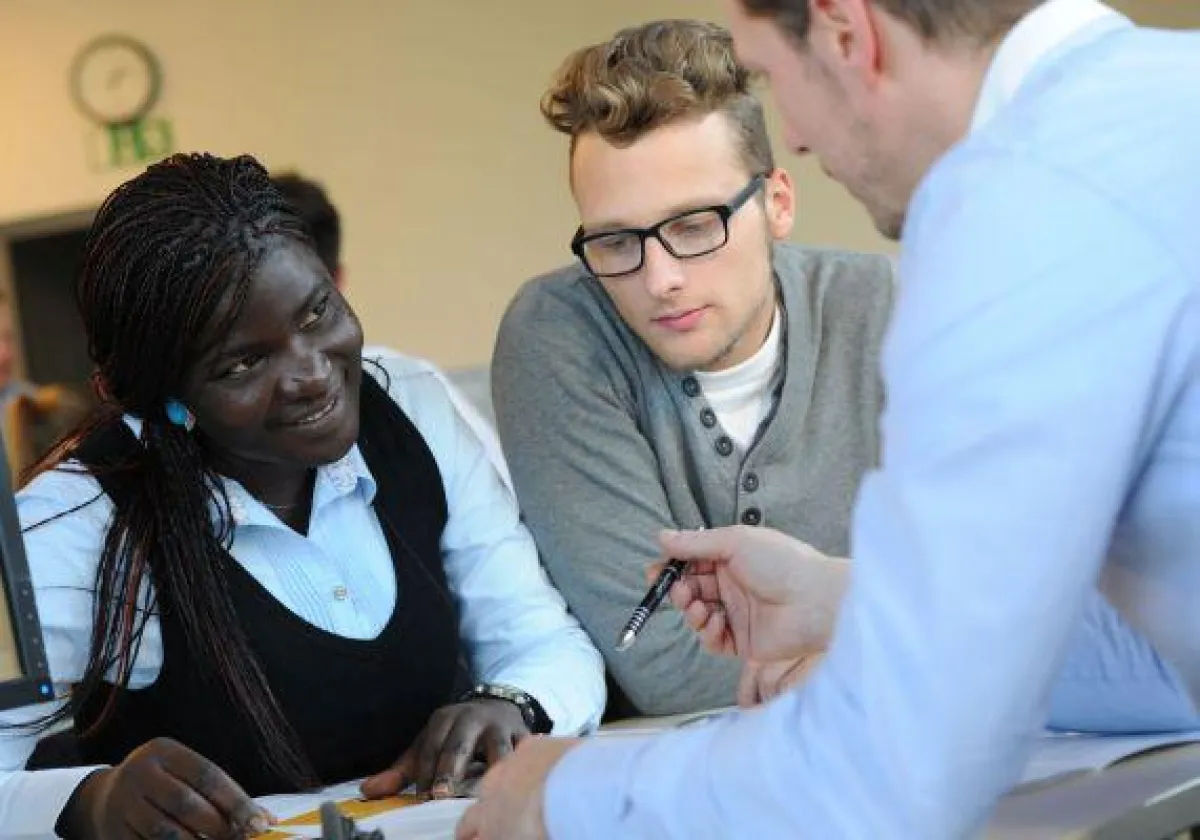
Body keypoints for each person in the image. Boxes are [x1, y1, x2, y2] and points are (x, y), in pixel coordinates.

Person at [457, 0, 1200, 837]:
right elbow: (1165, 658)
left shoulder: (1016, 200)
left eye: (773, 74)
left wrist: (569, 796)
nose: (799, 138)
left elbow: (896, 772)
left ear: (848, 34)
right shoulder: (1163, 101)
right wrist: (844, 600)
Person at [0, 153, 605, 839]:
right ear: (155, 397)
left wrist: (514, 701)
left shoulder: (411, 407)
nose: (312, 373)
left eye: (317, 312)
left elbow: (546, 638)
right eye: (244, 362)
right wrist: (88, 800)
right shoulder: (76, 525)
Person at [492, 19, 894, 716]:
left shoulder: (888, 309)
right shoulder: (558, 334)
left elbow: (991, 588)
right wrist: (888, 654)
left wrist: (848, 661)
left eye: (694, 225)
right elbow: (667, 666)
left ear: (777, 204)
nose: (660, 279)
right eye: (616, 241)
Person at [271, 171, 509, 485]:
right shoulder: (414, 385)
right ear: (340, 279)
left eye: (314, 310)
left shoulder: (409, 386)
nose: (311, 380)